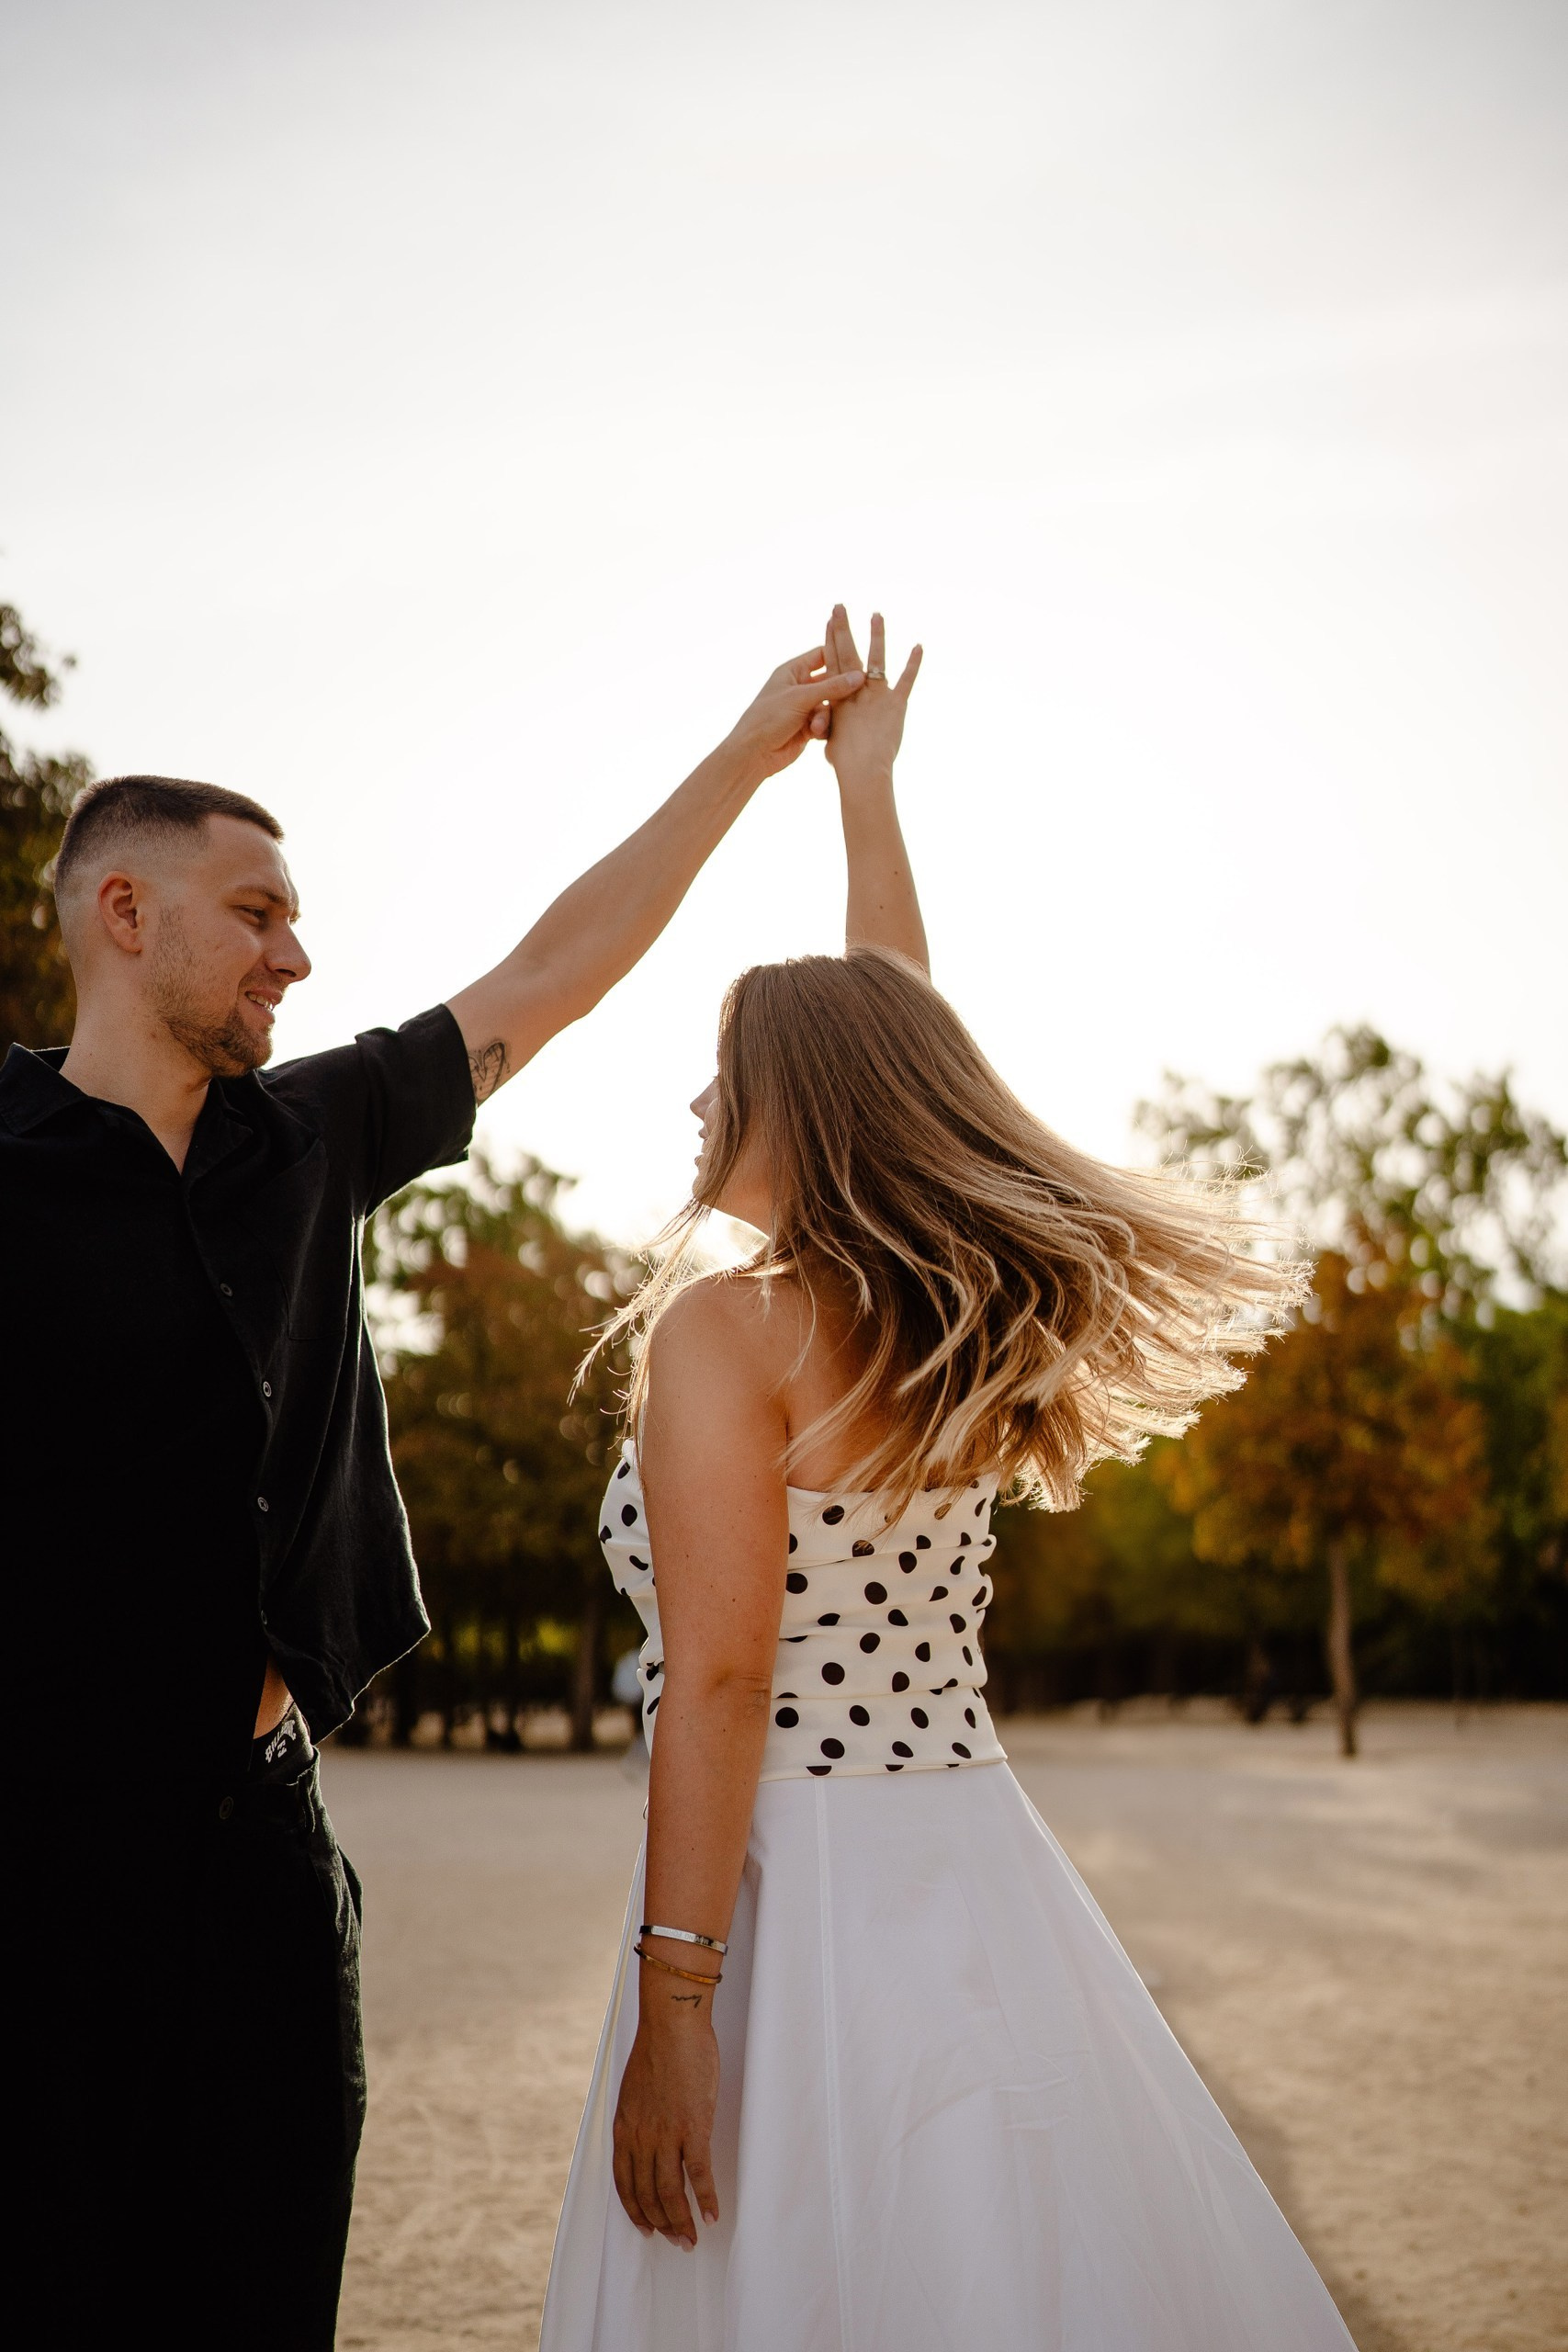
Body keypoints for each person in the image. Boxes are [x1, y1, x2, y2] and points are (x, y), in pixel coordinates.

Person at [4, 634, 866, 2348]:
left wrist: (754, 752)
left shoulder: (310, 1142)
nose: (295, 955)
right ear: (125, 913)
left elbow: (555, 969)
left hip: (261, 1856)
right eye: (257, 913)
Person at [540, 609, 1358, 2349]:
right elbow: (896, 1028)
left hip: (790, 1899)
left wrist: (679, 1999)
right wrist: (866, 797)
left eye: (724, 1070)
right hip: (975, 1869)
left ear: (796, 1103)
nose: (694, 1100)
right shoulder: (940, 1318)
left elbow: (729, 1678)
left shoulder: (723, 1335)